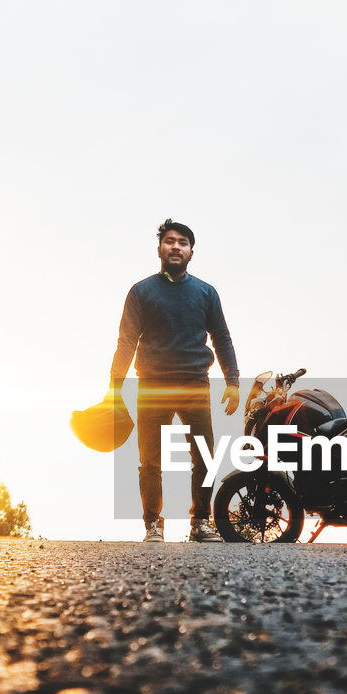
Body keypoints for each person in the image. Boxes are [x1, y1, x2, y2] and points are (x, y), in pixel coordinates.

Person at [110, 219, 240, 542]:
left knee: (204, 456)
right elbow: (126, 340)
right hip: (152, 386)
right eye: (170, 241)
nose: (176, 247)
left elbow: (222, 338)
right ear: (159, 249)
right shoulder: (141, 292)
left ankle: (200, 522)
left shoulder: (206, 293)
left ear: (191, 252)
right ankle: (153, 525)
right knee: (150, 460)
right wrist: (115, 386)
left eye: (183, 242)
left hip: (195, 384)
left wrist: (233, 382)